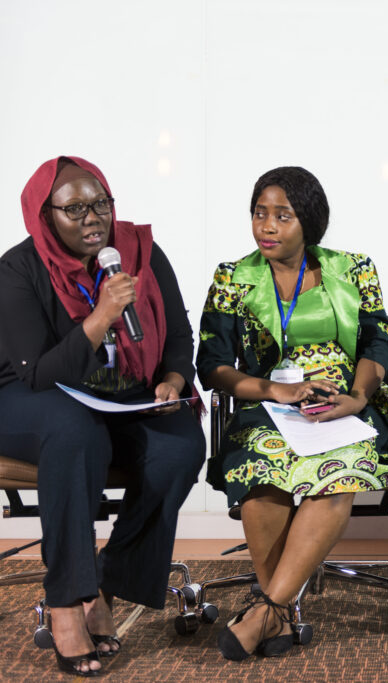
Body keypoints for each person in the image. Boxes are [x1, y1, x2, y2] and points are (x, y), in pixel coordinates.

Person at [0, 157, 205, 676]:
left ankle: (106, 585)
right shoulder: (17, 269)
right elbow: (39, 373)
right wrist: (101, 318)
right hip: (28, 396)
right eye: (74, 209)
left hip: (118, 394)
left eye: (100, 204)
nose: (92, 218)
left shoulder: (139, 252)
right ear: (45, 216)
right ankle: (67, 602)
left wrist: (173, 379)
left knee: (179, 446)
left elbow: (179, 334)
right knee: (74, 430)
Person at [197, 166, 388, 661]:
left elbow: (377, 341)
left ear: (309, 221)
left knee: (336, 474)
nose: (267, 226)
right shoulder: (233, 276)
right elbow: (212, 364)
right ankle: (276, 612)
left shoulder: (354, 268)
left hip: (341, 401)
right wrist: (277, 390)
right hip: (267, 403)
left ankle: (266, 611)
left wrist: (356, 397)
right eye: (259, 214)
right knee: (260, 474)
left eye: (282, 216)